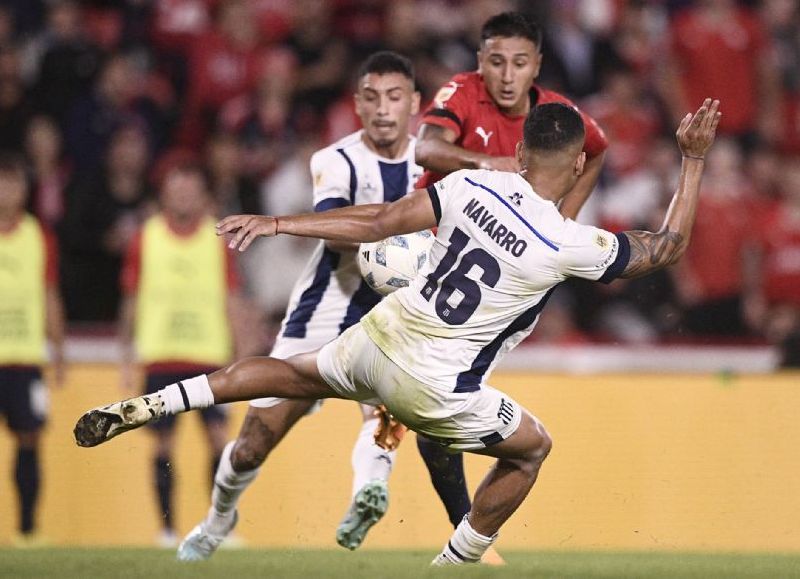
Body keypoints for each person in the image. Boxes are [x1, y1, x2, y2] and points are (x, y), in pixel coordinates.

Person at [74, 98, 721, 565]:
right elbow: (666, 246)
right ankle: (452, 565)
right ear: (578, 159)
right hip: (435, 384)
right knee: (531, 448)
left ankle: (160, 399)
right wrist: (691, 162)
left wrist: (278, 224)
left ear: (519, 152)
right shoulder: (571, 241)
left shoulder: (470, 184)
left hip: (380, 333)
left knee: (289, 370)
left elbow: (381, 220)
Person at [173, 51, 425, 560]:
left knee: (384, 411)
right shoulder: (335, 160)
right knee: (251, 446)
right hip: (323, 311)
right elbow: (334, 230)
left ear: (414, 104)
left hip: (391, 314)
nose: (383, 109)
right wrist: (397, 231)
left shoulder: (436, 164)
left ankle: (367, 493)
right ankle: (220, 516)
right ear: (356, 104)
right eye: (372, 97)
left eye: (395, 98)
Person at [412, 11, 608, 542]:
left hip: (491, 270)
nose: (505, 75)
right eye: (495, 61)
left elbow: (598, 146)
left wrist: (564, 217)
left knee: (438, 410)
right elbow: (425, 149)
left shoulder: (557, 116)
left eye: (519, 63)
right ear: (480, 62)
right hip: (430, 246)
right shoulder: (461, 92)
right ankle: (388, 428)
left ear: (536, 67)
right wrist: (488, 164)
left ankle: (450, 503)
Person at [118, 162, 246, 546]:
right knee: (162, 445)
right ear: (165, 194)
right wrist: (126, 357)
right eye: (177, 189)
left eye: (190, 189)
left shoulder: (216, 239)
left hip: (208, 356)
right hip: (160, 356)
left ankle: (220, 528)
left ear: (202, 195)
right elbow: (131, 299)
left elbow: (231, 298)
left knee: (220, 441)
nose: (184, 196)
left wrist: (239, 356)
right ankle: (168, 530)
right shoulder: (147, 236)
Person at [0, 153, 65, 544]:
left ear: (25, 190)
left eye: (12, 184)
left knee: (29, 437)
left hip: (24, 359)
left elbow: (49, 294)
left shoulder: (38, 236)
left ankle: (27, 528)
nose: (6, 192)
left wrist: (57, 349)